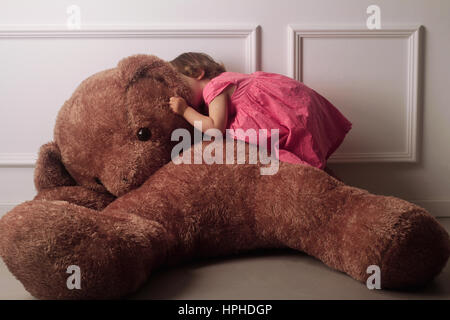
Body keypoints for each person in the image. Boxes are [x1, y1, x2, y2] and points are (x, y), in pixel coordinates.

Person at [169, 52, 352, 169]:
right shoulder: (228, 79)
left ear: (198, 73)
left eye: (181, 84)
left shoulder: (214, 88)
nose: (180, 92)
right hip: (290, 107)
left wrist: (185, 110)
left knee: (276, 157)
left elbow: (215, 128)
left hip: (277, 116)